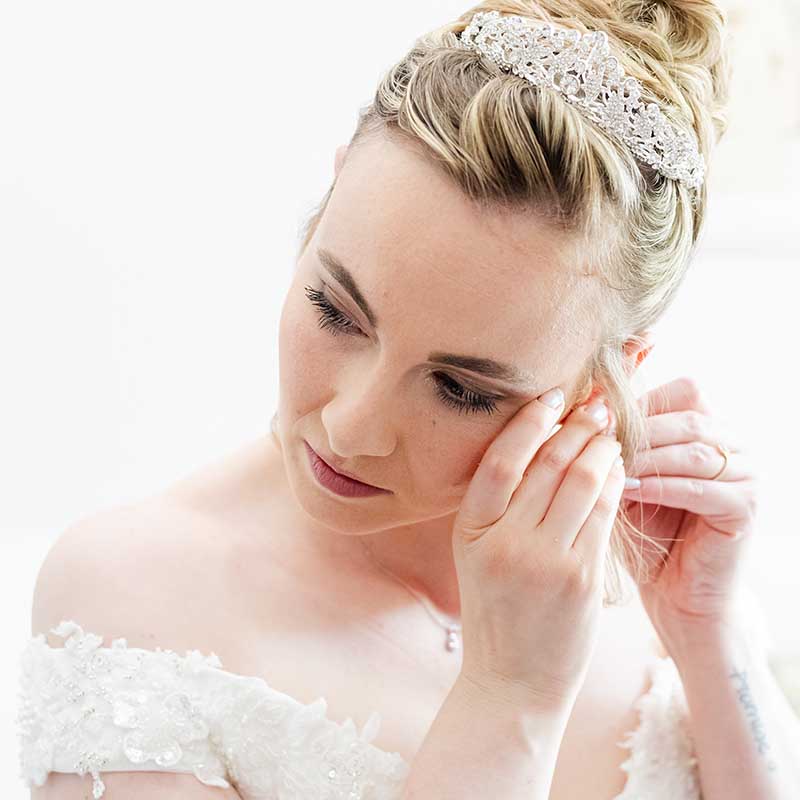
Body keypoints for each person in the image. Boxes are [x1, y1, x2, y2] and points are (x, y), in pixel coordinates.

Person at [17, 2, 800, 799]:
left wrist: (710, 628)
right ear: (326, 201)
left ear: (607, 381)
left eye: (461, 388)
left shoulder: (653, 579)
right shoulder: (134, 596)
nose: (350, 428)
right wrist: (510, 699)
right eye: (335, 311)